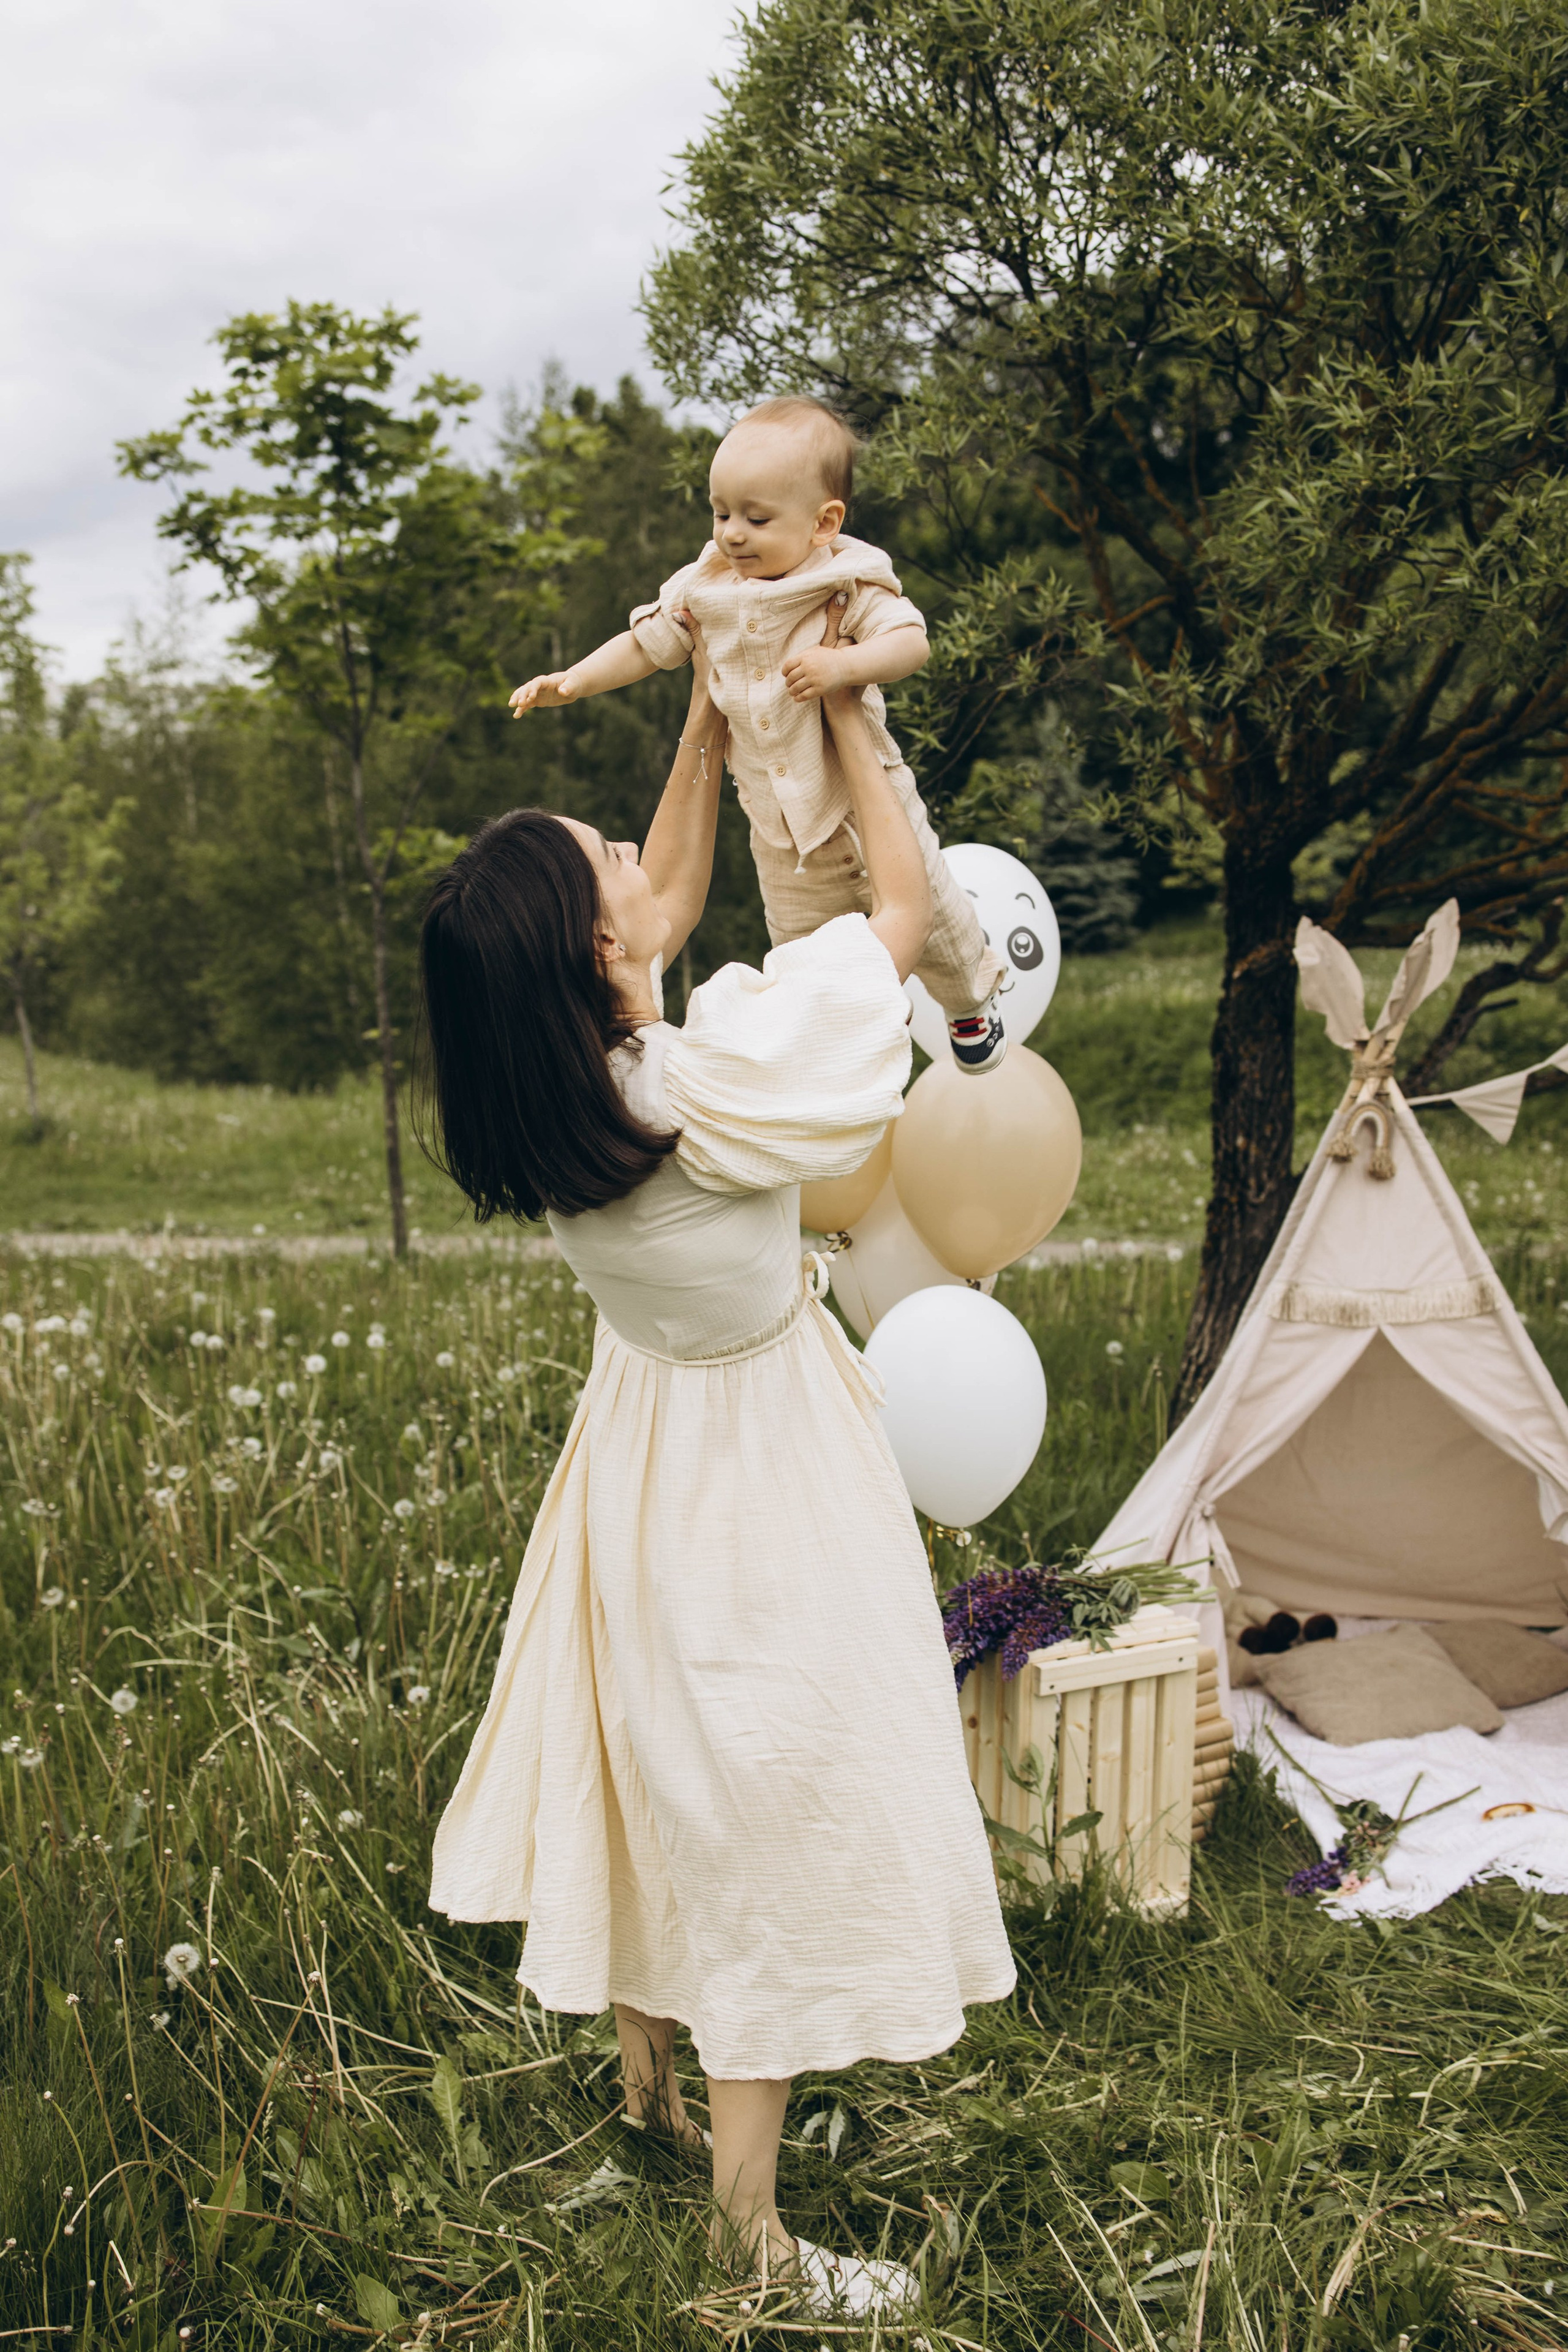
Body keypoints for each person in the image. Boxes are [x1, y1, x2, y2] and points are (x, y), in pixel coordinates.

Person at [419, 603, 1016, 2320]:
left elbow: (662, 901)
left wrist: (703, 711)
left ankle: (647, 2099)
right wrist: (855, 724)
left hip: (641, 1448)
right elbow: (894, 917)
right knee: (765, 1800)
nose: (636, 854)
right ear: (599, 951)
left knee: (655, 1768)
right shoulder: (707, 1084)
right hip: (756, 1459)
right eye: (606, 861)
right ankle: (747, 2237)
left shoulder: (564, 1095)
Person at [507, 394, 1008, 1076]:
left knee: (938, 922)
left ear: (823, 523)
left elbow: (910, 642)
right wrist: (574, 680)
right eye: (720, 514)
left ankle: (969, 1000)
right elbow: (645, 644)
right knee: (800, 950)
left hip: (866, 802)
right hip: (777, 828)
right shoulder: (704, 585)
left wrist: (845, 666)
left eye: (756, 518)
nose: (732, 535)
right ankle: (843, 1047)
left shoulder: (845, 576)